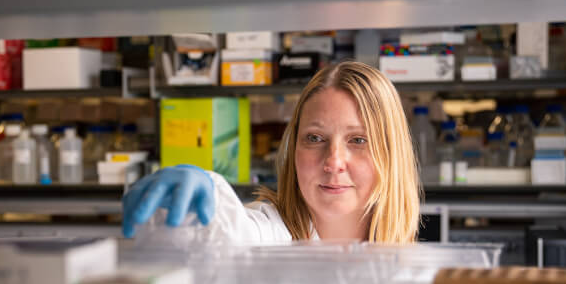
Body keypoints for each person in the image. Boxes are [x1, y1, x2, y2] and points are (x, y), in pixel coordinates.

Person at [122, 61, 421, 244]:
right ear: (293, 149)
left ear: (391, 153)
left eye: (358, 140)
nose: (333, 162)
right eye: (315, 138)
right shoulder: (268, 233)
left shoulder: (406, 261)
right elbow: (224, 234)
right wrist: (198, 193)